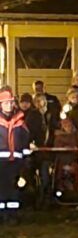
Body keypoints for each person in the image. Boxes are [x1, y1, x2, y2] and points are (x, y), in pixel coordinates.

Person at [0, 88, 31, 224]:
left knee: (14, 188)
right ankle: (2, 215)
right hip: (1, 162)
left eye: (10, 102)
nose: (8, 105)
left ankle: (12, 215)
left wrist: (26, 160)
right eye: (5, 103)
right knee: (1, 188)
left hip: (16, 162)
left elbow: (25, 143)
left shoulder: (20, 122)